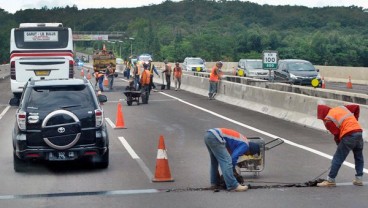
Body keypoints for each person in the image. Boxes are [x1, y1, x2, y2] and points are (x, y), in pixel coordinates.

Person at [316, 104, 364, 187]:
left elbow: (336, 134)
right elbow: (356, 107)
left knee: (338, 157)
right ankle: (358, 179)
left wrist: (339, 144)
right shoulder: (341, 108)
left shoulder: (328, 120)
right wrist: (354, 121)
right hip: (358, 131)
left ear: (323, 114)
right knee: (359, 157)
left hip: (349, 135)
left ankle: (330, 180)